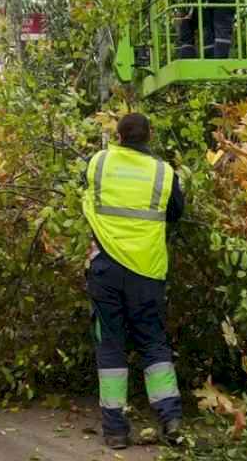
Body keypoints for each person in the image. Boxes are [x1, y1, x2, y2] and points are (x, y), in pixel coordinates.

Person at [81, 113, 186, 449]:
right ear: (149, 135)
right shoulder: (163, 173)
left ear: (119, 135)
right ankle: (170, 420)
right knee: (153, 343)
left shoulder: (99, 163)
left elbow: (87, 196)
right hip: (147, 271)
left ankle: (115, 432)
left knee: (110, 345)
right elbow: (175, 214)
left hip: (106, 270)